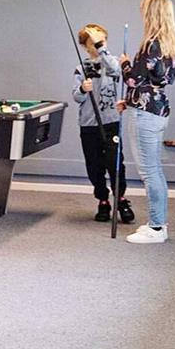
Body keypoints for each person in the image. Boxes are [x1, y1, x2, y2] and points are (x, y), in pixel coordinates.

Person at [120, 0, 175, 244]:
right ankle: (158, 223)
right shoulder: (169, 44)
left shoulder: (150, 44)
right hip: (158, 109)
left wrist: (124, 63)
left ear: (151, 13)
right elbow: (161, 80)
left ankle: (156, 228)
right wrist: (129, 100)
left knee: (149, 171)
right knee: (155, 170)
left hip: (145, 114)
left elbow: (133, 80)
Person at [72, 23, 134, 224]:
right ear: (85, 46)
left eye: (102, 41)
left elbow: (117, 70)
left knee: (115, 162)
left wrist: (102, 48)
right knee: (94, 165)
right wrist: (83, 89)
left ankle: (121, 199)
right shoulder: (81, 68)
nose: (99, 45)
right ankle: (103, 200)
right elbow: (76, 97)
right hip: (89, 124)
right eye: (94, 43)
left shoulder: (111, 62)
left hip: (110, 122)